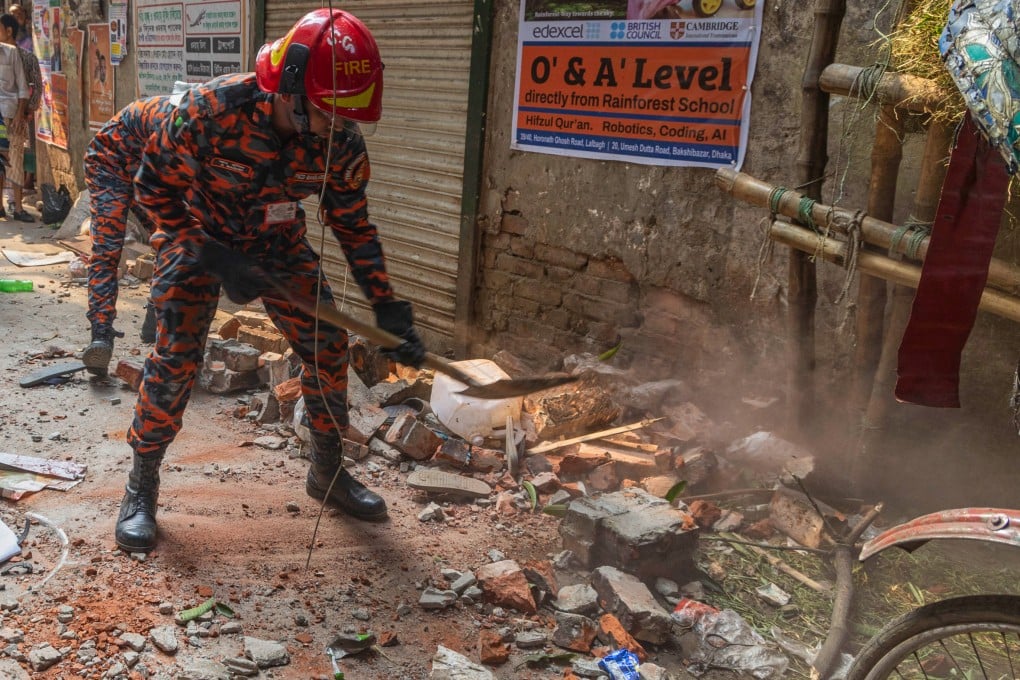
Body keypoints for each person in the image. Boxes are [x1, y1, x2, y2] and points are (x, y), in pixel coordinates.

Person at [113, 8, 426, 553]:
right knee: (178, 355)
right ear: (290, 91)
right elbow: (152, 190)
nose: (342, 127)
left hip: (277, 244)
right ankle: (141, 487)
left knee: (328, 345)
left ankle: (327, 475)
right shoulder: (211, 110)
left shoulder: (340, 142)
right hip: (198, 235)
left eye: (349, 116)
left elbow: (351, 224)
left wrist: (385, 302)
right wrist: (210, 254)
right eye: (330, 113)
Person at [81, 92, 179, 376]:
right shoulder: (166, 122)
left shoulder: (202, 130)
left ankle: (158, 323)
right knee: (107, 250)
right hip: (108, 167)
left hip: (146, 175)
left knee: (171, 241)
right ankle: (101, 335)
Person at [1, 11, 38, 206]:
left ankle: (19, 203)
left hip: (17, 115)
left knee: (17, 157)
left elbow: (29, 86)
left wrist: (24, 111)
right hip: (3, 116)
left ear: (8, 31)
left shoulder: (21, 55)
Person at [0, 13, 28, 221]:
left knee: (15, 159)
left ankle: (18, 208)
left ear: (8, 31)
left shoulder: (11, 53)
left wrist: (20, 114)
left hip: (10, 115)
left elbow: (23, 88)